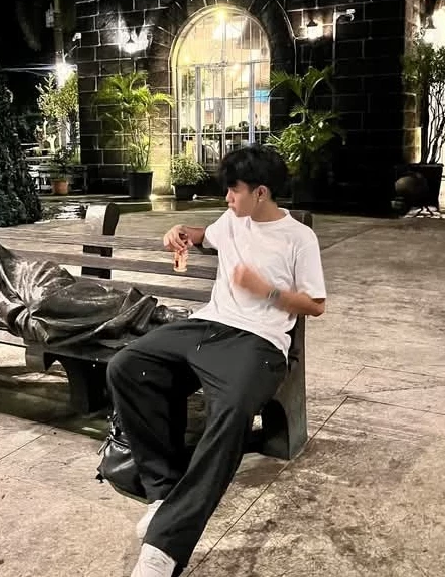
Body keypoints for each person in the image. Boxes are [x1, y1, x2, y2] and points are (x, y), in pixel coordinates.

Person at [106, 145, 326, 577]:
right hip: (207, 325)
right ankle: (163, 492)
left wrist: (266, 291)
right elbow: (203, 233)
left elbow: (316, 305)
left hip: (259, 342)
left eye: (233, 190)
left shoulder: (299, 237)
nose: (227, 198)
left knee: (231, 413)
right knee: (127, 367)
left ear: (261, 192)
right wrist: (180, 232)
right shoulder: (231, 220)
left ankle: (165, 548)